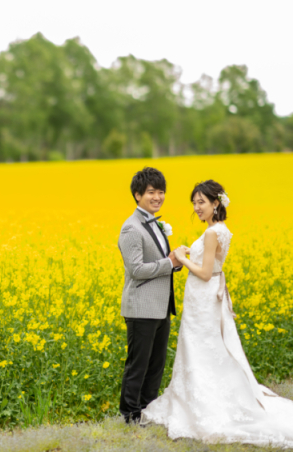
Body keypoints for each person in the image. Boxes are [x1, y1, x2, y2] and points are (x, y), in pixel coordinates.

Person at [141, 180, 293, 448]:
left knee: (201, 348)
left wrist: (182, 257)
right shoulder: (222, 230)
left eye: (202, 202)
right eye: (194, 203)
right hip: (208, 298)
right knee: (210, 349)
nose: (197, 207)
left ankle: (200, 403)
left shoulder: (211, 234)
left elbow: (206, 272)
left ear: (215, 203)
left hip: (204, 296)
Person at [117, 167, 183, 424]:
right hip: (141, 308)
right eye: (151, 192)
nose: (157, 197)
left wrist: (175, 262)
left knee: (155, 366)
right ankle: (130, 414)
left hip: (160, 307)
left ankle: (148, 410)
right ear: (137, 195)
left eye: (161, 192)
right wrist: (169, 263)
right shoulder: (131, 228)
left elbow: (160, 261)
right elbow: (136, 270)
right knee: (138, 366)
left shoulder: (155, 223)